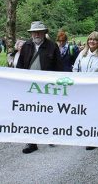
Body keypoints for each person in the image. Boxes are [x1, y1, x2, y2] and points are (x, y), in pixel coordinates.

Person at [16, 21, 63, 154]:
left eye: (39, 31)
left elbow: (59, 67)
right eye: (34, 32)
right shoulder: (26, 46)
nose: (36, 34)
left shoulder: (52, 46)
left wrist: (58, 85)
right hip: (30, 86)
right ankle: (31, 142)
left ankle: (50, 135)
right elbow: (20, 65)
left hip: (47, 87)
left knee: (48, 111)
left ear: (44, 33)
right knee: (31, 113)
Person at [73, 31, 98, 151]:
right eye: (90, 39)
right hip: (83, 89)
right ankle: (85, 135)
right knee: (84, 113)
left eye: (94, 40)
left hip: (97, 90)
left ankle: (93, 139)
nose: (91, 42)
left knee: (95, 114)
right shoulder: (82, 54)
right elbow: (75, 68)